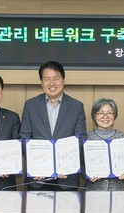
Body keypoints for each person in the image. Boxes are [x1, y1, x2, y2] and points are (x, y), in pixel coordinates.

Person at [20, 61, 87, 190]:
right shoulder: (31, 105)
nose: (52, 83)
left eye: (56, 78)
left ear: (63, 80)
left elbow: (81, 139)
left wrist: (66, 164)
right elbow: (24, 138)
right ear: (41, 83)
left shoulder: (76, 106)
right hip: (38, 178)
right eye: (47, 79)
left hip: (67, 178)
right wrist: (37, 165)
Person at [85, 98, 124, 191]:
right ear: (94, 116)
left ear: (114, 115)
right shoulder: (86, 138)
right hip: (93, 192)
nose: (105, 116)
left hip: (118, 192)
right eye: (101, 113)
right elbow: (80, 164)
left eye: (109, 113)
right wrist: (87, 174)